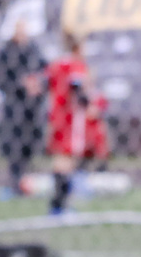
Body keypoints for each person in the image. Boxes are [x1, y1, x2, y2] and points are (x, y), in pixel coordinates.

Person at [43, 31, 106, 215]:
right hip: (69, 120)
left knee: (62, 160)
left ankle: (59, 205)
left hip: (56, 116)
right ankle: (58, 206)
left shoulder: (56, 64)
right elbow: (77, 88)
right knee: (65, 161)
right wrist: (90, 106)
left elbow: (46, 83)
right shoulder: (75, 65)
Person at [0, 17, 47, 198]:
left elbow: (45, 72)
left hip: (32, 108)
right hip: (14, 107)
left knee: (30, 144)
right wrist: (21, 84)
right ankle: (15, 182)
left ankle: (26, 181)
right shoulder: (6, 52)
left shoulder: (34, 50)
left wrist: (37, 85)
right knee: (14, 145)